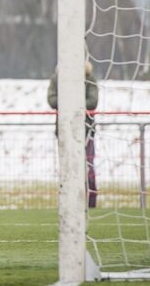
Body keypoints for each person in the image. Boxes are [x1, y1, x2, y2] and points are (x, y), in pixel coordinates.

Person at [47, 61, 99, 208]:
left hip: (86, 130)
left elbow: (93, 101)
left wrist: (72, 104)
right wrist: (70, 103)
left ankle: (91, 202)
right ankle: (68, 202)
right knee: (66, 166)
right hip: (64, 129)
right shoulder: (57, 79)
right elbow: (51, 100)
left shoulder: (89, 78)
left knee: (88, 166)